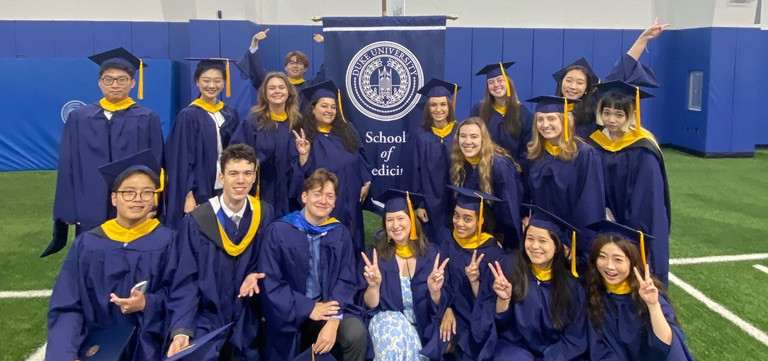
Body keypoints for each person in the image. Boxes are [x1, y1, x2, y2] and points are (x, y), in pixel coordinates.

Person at [46, 150, 176, 361]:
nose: (138, 199)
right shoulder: (88, 244)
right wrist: (66, 354)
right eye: (129, 192)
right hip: (96, 347)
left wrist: (148, 303)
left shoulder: (168, 241)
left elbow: (181, 296)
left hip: (151, 346)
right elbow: (67, 305)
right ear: (114, 198)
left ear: (154, 199)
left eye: (146, 193)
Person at [45, 47, 164, 257]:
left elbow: (156, 163)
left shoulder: (147, 118)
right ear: (100, 82)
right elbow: (68, 164)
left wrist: (152, 202)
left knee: (133, 252)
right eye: (109, 79)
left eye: (122, 79)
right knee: (91, 252)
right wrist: (68, 208)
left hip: (131, 199)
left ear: (132, 83)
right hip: (89, 198)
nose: (115, 84)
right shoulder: (80, 118)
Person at [166, 144, 274, 360]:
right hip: (206, 319)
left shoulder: (264, 214)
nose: (241, 180)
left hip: (248, 319)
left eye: (247, 173)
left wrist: (257, 274)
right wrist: (181, 330)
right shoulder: (198, 221)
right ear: (221, 177)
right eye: (233, 173)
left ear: (254, 177)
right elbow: (186, 280)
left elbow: (268, 262)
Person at [259, 168, 367, 361]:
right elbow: (271, 282)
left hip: (329, 309)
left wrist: (334, 319)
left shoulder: (339, 233)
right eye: (317, 194)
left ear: (335, 202)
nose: (323, 200)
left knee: (354, 332)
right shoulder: (279, 231)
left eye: (329, 196)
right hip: (291, 309)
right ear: (304, 196)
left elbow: (347, 278)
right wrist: (309, 308)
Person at [587, 80, 670, 285]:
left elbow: (647, 199)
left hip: (635, 222)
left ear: (631, 114)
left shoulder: (642, 148)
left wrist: (631, 230)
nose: (611, 120)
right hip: (604, 218)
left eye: (619, 114)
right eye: (607, 113)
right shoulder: (594, 143)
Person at [489, 204, 588, 361]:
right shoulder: (508, 268)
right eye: (529, 239)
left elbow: (575, 338)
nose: (534, 246)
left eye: (543, 241)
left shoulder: (572, 287)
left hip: (556, 354)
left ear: (557, 247)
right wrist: (503, 300)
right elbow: (499, 326)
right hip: (515, 350)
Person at [585, 220, 694, 361]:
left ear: (633, 263)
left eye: (618, 260)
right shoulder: (595, 292)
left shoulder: (648, 294)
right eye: (602, 257)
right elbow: (598, 346)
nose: (609, 266)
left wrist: (653, 306)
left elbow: (667, 346)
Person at [361, 189, 446, 361]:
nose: (395, 225)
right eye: (390, 220)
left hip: (424, 329)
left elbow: (439, 306)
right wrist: (374, 286)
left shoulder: (431, 255)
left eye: (401, 218)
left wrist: (435, 291)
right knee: (395, 330)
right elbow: (370, 306)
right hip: (387, 328)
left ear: (412, 221)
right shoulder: (375, 256)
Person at [525, 95, 606, 271]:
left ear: (565, 121)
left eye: (552, 118)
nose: (545, 124)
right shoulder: (534, 154)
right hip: (543, 240)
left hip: (572, 244)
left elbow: (589, 208)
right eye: (540, 119)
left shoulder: (585, 155)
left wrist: (572, 243)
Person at [293, 81, 372, 252]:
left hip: (351, 198)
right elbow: (301, 176)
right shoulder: (305, 136)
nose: (329, 110)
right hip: (325, 201)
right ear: (313, 109)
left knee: (353, 239)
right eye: (324, 106)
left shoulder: (346, 130)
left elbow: (361, 155)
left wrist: (366, 181)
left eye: (333, 107)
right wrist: (304, 155)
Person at [164, 58, 241, 229]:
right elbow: (181, 159)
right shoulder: (188, 116)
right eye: (206, 80)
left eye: (217, 80)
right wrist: (188, 194)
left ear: (224, 83)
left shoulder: (230, 113)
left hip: (226, 186)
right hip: (200, 188)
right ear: (197, 81)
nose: (211, 85)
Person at [438, 186, 505, 361]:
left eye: (467, 219)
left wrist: (474, 282)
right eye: (456, 215)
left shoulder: (492, 253)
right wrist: (447, 308)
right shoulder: (449, 241)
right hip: (451, 312)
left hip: (477, 319)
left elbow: (490, 303)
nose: (459, 223)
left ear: (480, 221)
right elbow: (442, 281)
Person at [230, 72, 303, 218]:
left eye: (281, 87)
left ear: (289, 92)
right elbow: (235, 153)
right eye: (272, 88)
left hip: (289, 193)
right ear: (265, 93)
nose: (277, 91)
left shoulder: (296, 123)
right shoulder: (253, 122)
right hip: (261, 190)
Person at [450, 118, 523, 249]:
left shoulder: (500, 165)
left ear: (483, 139)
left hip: (498, 236)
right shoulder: (459, 162)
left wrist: (503, 239)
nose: (468, 142)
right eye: (463, 136)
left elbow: (509, 208)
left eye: (474, 136)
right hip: (473, 233)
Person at [404, 78, 462, 244]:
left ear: (449, 106)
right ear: (428, 109)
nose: (438, 109)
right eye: (433, 105)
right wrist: (420, 204)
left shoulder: (459, 132)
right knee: (432, 241)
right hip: (430, 201)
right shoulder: (420, 134)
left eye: (443, 104)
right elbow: (414, 170)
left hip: (456, 198)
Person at [237, 28, 325, 106]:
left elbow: (326, 70)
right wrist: (254, 42)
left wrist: (326, 43)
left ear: (305, 68)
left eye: (299, 63)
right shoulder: (276, 85)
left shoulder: (311, 86)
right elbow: (257, 71)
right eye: (291, 63)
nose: (295, 66)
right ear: (285, 67)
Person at [470, 62, 534, 165]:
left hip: (514, 172)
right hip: (483, 168)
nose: (496, 85)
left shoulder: (525, 114)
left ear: (509, 83)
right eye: (491, 82)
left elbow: (529, 148)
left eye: (500, 80)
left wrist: (513, 169)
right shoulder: (479, 110)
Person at [551, 57, 601, 140]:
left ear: (587, 88)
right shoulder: (550, 109)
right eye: (569, 81)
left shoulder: (593, 114)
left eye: (580, 83)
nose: (573, 87)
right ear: (561, 82)